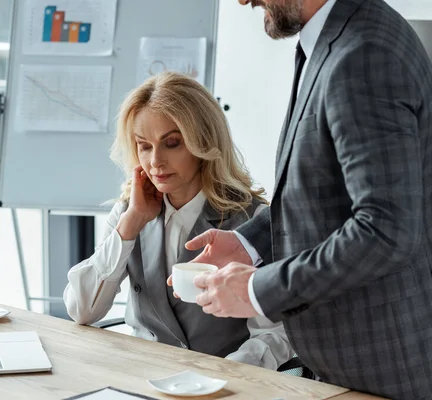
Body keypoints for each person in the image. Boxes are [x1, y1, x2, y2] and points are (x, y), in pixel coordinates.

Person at [173, 0, 432, 398]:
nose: (244, 1)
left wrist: (258, 289)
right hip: (346, 363)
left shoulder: (363, 53)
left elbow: (386, 230)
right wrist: (248, 244)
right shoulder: (331, 40)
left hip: (383, 367)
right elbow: (323, 188)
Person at [63, 72, 293, 369]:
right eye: (144, 145)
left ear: (203, 142)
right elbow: (81, 311)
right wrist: (130, 226)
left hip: (221, 386)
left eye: (171, 143)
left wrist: (226, 379)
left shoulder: (255, 221)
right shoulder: (127, 214)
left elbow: (274, 335)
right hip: (143, 378)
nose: (155, 160)